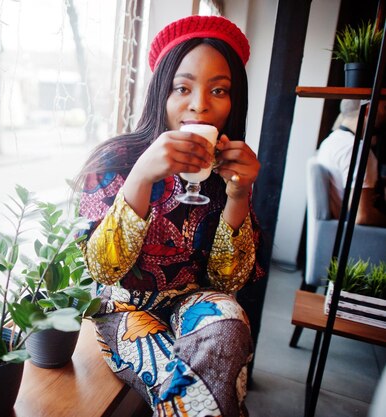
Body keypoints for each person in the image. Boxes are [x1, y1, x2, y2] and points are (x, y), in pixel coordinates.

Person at [75, 15, 263, 417]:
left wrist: (239, 193)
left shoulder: (230, 171)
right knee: (196, 393)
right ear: (161, 92)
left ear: (234, 102)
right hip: (124, 309)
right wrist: (142, 175)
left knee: (231, 325)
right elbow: (103, 271)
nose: (200, 104)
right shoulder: (117, 160)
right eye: (183, 87)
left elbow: (227, 281)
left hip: (193, 300)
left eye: (219, 89)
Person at [317, 98, 386, 227]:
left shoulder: (331, 141)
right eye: (385, 108)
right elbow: (363, 216)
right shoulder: (356, 150)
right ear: (367, 110)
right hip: (358, 237)